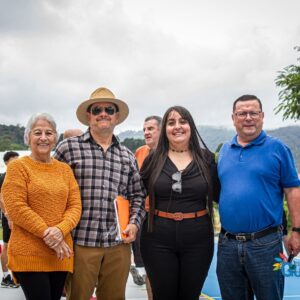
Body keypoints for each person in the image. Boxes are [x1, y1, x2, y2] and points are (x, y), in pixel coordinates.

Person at [53, 87, 146, 300]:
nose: (103, 113)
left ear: (117, 116)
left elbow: (138, 195)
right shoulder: (68, 148)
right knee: (77, 296)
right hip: (80, 242)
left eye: (109, 109)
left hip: (118, 244)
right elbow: (51, 188)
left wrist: (134, 223)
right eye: (97, 110)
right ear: (89, 116)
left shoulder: (127, 155)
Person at [217, 95, 300, 300]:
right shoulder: (225, 150)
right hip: (227, 245)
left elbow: (293, 191)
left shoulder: (278, 149)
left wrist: (296, 231)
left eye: (253, 113)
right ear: (233, 118)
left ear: (262, 116)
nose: (248, 118)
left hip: (266, 244)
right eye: (242, 113)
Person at [140, 106, 220, 300]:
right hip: (157, 237)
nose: (177, 126)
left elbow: (222, 195)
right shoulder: (153, 159)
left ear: (191, 126)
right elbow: (135, 194)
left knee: (190, 295)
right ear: (165, 129)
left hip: (198, 238)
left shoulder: (206, 158)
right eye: (171, 122)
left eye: (183, 121)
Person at [1, 113, 82, 300]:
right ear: (28, 137)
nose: (43, 138)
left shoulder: (64, 170)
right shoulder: (18, 167)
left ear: (55, 138)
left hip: (60, 253)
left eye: (49, 133)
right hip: (30, 252)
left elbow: (75, 205)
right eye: (38, 132)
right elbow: (16, 206)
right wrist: (49, 233)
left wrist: (60, 231)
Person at [130, 116, 161, 298]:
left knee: (162, 266)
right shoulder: (140, 152)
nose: (146, 133)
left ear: (161, 130)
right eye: (144, 129)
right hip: (143, 216)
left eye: (151, 129)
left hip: (163, 216)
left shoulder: (171, 153)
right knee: (149, 266)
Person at [0, 151, 20, 288]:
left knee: (17, 246)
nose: (17, 162)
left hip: (18, 217)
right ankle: (6, 278)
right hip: (9, 218)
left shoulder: (17, 176)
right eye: (14, 160)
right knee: (7, 246)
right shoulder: (3, 177)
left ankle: (16, 276)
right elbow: (1, 198)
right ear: (6, 162)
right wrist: (7, 215)